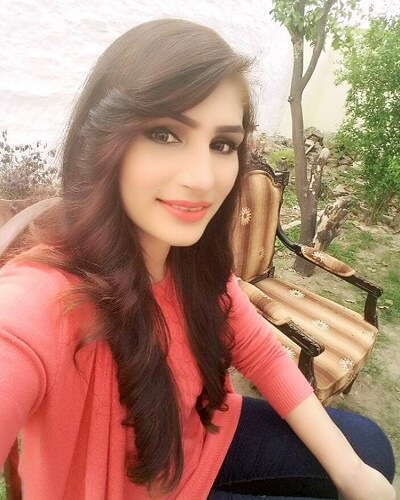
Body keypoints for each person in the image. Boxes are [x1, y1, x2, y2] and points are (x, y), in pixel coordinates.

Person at [0, 18, 396, 500]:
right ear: (102, 142)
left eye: (222, 144)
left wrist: (352, 474)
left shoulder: (192, 262)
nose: (203, 179)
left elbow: (261, 352)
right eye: (164, 134)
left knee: (370, 451)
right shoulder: (43, 301)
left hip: (204, 441)